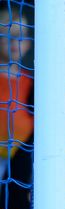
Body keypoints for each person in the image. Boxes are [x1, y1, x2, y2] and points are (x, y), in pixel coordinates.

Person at [0, 4, 32, 179]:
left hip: (22, 164)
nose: (15, 41)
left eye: (21, 36)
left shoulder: (33, 84)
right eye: (8, 35)